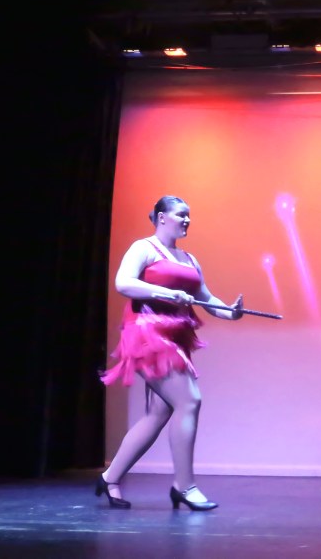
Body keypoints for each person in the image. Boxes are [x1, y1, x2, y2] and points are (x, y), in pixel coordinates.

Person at [97, 195, 244, 511]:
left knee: (159, 413)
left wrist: (230, 312)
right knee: (189, 400)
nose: (187, 220)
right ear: (161, 217)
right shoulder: (144, 248)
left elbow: (205, 298)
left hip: (174, 337)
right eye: (181, 214)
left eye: (189, 215)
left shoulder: (189, 259)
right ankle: (184, 486)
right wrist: (167, 293)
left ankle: (110, 477)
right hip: (146, 334)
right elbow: (123, 283)